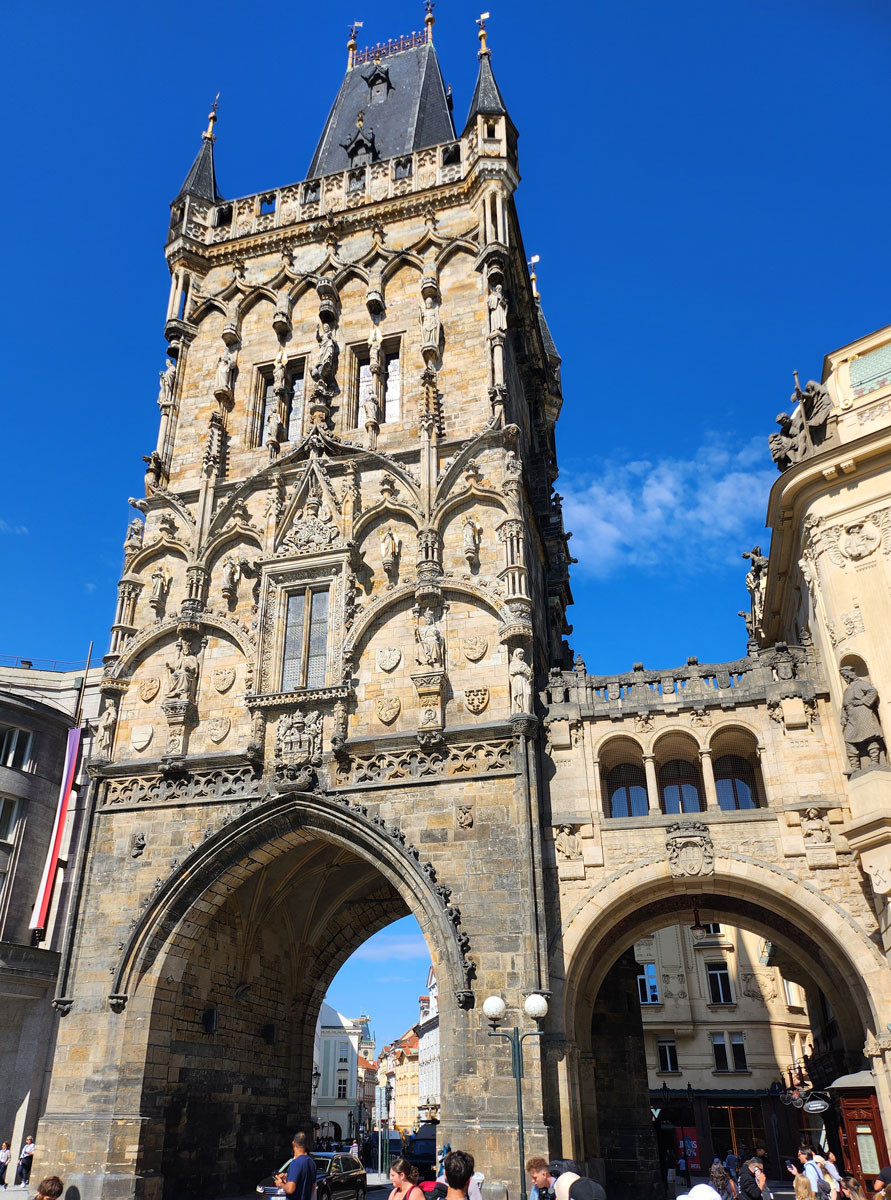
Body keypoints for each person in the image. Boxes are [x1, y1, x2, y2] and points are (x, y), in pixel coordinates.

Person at [275, 1132, 317, 1200]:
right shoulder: (312, 1163)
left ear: (293, 1143)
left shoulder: (296, 1163)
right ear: (306, 1145)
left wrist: (280, 1184)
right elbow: (313, 1187)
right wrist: (287, 1180)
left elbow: (290, 1189)